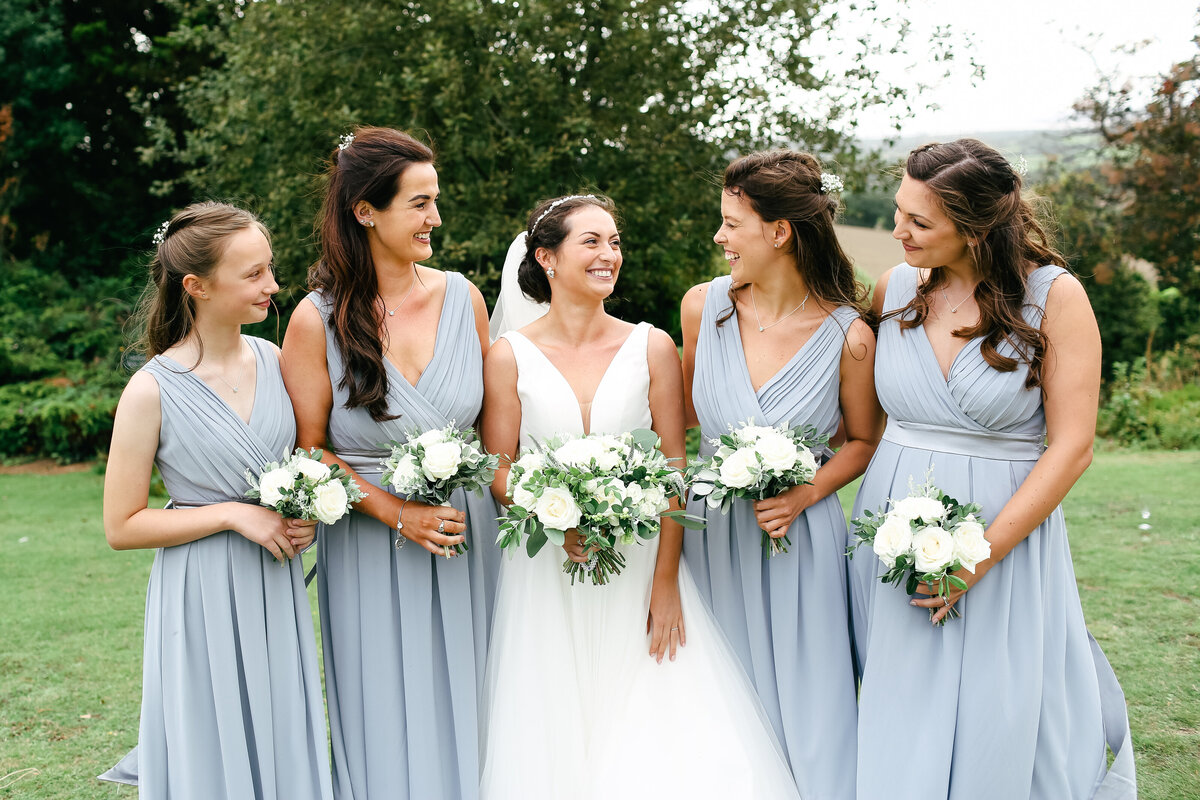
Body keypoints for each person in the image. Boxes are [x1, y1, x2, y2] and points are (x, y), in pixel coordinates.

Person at [479, 194, 801, 800]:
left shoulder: (651, 346)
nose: (610, 255)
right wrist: (553, 517)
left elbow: (676, 466)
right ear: (546, 258)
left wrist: (665, 582)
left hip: (639, 561)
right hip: (548, 565)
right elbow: (500, 467)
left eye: (615, 241)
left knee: (658, 719)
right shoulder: (508, 356)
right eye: (592, 242)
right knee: (553, 721)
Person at [848, 139, 1136, 799]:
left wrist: (979, 555)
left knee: (996, 707)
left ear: (976, 231)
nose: (898, 232)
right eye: (898, 212)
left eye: (919, 222)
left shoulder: (1054, 295)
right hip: (893, 530)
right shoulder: (894, 287)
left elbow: (1073, 445)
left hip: (1003, 537)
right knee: (902, 698)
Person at [281, 127, 496, 800]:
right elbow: (308, 449)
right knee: (382, 710)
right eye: (419, 203)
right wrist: (394, 512)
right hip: (371, 543)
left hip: (469, 535)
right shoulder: (315, 320)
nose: (435, 218)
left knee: (481, 698)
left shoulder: (466, 298)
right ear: (365, 209)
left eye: (435, 201)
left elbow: (494, 438)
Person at [100, 202, 333, 799]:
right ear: (197, 287)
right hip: (201, 590)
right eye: (253, 274)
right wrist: (234, 514)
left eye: (270, 268)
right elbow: (122, 525)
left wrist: (301, 512)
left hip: (273, 585)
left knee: (278, 727)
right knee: (212, 731)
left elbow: (308, 458)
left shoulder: (277, 361)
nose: (274, 286)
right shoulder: (151, 389)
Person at [680, 150, 882, 798]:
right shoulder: (700, 309)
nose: (719, 237)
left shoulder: (849, 334)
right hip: (711, 539)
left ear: (779, 231)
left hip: (799, 540)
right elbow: (684, 419)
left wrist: (806, 493)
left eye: (731, 223)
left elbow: (863, 440)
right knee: (716, 697)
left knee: (809, 701)